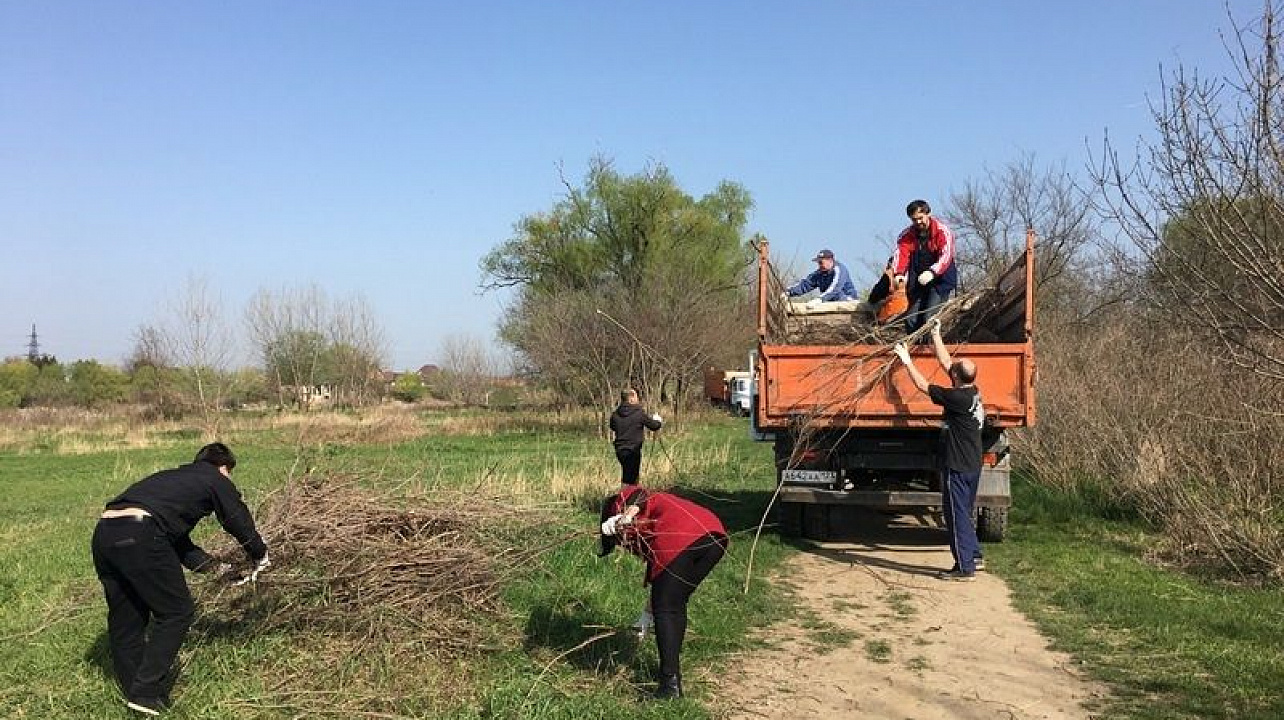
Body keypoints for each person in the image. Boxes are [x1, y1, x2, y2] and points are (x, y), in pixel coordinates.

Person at [91, 443, 270, 716]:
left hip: (105, 532)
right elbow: (236, 517)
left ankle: (137, 696)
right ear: (223, 467)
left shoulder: (172, 481)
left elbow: (178, 544)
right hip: (141, 532)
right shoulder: (214, 477)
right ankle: (146, 691)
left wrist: (219, 570)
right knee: (176, 612)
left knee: (127, 620)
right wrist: (260, 554)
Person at [599, 485, 728, 699]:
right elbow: (661, 579)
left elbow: (640, 494)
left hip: (682, 535)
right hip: (714, 537)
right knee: (673, 603)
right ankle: (672, 678)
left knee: (667, 609)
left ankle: (669, 686)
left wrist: (624, 516)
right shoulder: (653, 523)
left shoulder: (622, 501)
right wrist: (647, 613)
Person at [891, 319, 985, 581]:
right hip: (973, 464)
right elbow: (947, 364)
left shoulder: (955, 398)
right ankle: (974, 556)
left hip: (958, 466)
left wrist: (906, 360)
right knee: (964, 512)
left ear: (956, 378)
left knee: (955, 516)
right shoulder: (972, 392)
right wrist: (936, 335)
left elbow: (923, 386)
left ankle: (964, 568)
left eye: (954, 370)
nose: (951, 368)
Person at [893, 200, 958, 332]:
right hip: (918, 283)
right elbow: (901, 255)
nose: (918, 222)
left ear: (928, 214)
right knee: (910, 319)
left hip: (940, 282)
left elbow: (946, 256)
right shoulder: (906, 236)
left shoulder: (942, 232)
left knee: (929, 318)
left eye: (920, 218)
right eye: (914, 219)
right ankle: (914, 344)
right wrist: (899, 274)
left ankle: (931, 343)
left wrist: (932, 272)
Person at [609, 389, 663, 485]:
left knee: (627, 475)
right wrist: (658, 420)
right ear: (631, 399)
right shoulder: (639, 413)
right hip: (633, 450)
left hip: (620, 451)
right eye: (636, 397)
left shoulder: (615, 414)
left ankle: (627, 493)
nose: (638, 399)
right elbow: (654, 426)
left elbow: (612, 427)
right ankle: (629, 494)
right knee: (632, 478)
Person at [783, 248, 858, 308]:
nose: (819, 265)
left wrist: (820, 299)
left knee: (838, 296)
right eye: (818, 263)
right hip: (830, 302)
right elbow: (805, 284)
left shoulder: (839, 270)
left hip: (847, 301)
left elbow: (835, 288)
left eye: (821, 262)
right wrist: (788, 292)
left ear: (830, 261)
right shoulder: (819, 273)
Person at [866, 256, 909, 324]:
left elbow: (873, 298)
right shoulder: (912, 274)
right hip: (908, 314)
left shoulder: (889, 276)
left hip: (890, 316)